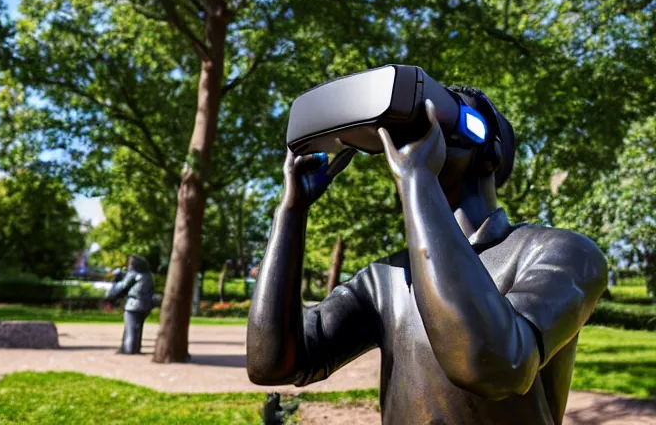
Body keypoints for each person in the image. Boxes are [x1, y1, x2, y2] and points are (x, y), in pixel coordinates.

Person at [247, 88, 608, 425]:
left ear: (490, 155)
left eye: (444, 116)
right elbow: (274, 364)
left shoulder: (563, 252)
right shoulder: (387, 278)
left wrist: (418, 179)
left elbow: (497, 365)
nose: (427, 126)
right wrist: (291, 212)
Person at [107, 255, 155, 354]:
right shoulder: (148, 275)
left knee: (130, 329)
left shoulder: (134, 274)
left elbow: (120, 288)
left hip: (133, 305)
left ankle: (129, 349)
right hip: (145, 305)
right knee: (137, 328)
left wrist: (116, 282)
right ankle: (135, 348)